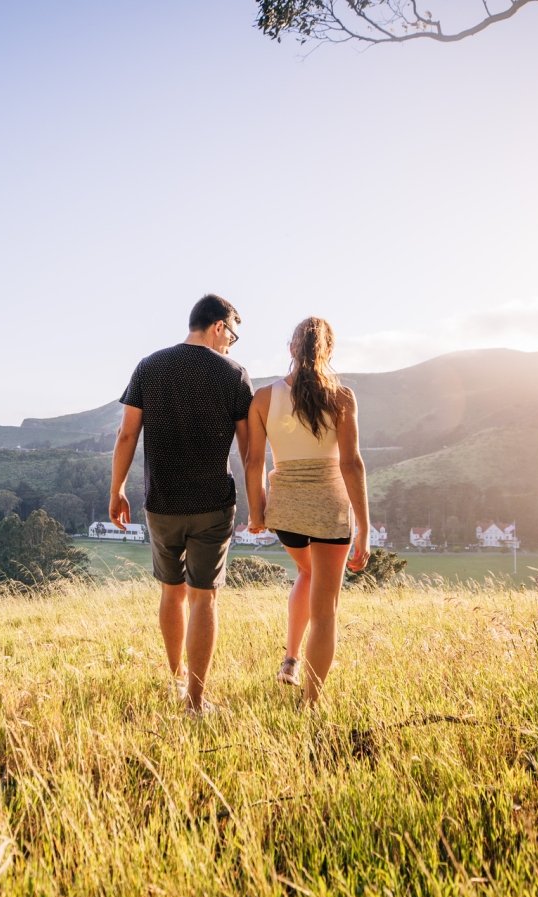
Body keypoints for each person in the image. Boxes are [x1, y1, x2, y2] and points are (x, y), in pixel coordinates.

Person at [110, 295, 253, 714]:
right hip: (212, 502)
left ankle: (174, 680)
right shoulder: (233, 374)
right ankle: (195, 700)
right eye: (233, 335)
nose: (231, 344)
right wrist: (258, 503)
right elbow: (249, 451)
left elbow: (125, 436)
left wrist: (117, 489)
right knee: (204, 598)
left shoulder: (149, 366)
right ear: (218, 327)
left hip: (162, 501)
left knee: (171, 593)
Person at [244, 316, 370, 706]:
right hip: (331, 510)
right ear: (328, 351)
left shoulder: (264, 398)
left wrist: (256, 512)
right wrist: (364, 527)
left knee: (306, 571)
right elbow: (351, 465)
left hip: (287, 512)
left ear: (291, 350)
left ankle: (291, 659)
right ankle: (311, 702)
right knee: (326, 607)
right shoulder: (343, 397)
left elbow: (252, 461)